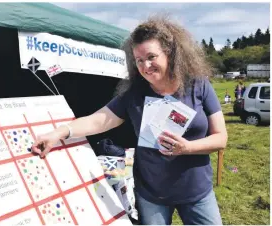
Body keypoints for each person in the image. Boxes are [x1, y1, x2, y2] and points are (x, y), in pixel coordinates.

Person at [32, 15, 227, 225]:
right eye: (139, 60)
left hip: (196, 191)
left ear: (171, 53)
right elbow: (98, 120)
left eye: (152, 56)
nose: (146, 66)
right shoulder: (134, 95)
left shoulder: (198, 86)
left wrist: (187, 148)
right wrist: (58, 133)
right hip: (152, 196)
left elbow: (221, 138)